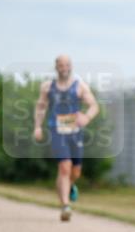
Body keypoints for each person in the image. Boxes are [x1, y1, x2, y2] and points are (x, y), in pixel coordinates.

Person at [33, 55, 100, 221]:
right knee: (64, 166)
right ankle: (65, 205)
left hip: (75, 131)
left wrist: (86, 117)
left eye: (66, 65)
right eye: (60, 65)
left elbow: (94, 105)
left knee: (75, 171)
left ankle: (68, 186)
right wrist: (37, 127)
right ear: (56, 67)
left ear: (71, 66)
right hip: (56, 129)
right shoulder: (48, 86)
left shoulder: (79, 86)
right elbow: (41, 107)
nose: (63, 67)